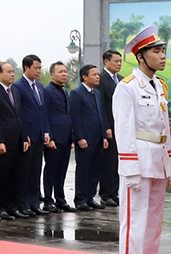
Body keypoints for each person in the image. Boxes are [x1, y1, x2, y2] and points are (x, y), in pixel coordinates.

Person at [115, 25, 171, 254]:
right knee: (134, 223)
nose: (162, 56)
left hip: (158, 162)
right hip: (138, 161)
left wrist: (169, 166)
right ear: (141, 56)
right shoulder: (126, 88)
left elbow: (165, 128)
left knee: (152, 224)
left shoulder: (160, 85)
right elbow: (124, 131)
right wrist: (129, 169)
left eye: (163, 51)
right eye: (156, 51)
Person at [0, 62, 28, 220]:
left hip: (17, 140)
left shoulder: (15, 91)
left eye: (12, 71)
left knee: (16, 176)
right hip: (3, 141)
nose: (12, 74)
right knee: (1, 177)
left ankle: (12, 206)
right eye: (8, 72)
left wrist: (24, 137)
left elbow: (19, 116)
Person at [12, 55, 50, 216]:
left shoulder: (40, 86)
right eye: (35, 68)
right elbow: (19, 113)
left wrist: (46, 131)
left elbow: (43, 111)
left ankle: (35, 203)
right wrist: (24, 134)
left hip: (40, 135)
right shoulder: (18, 87)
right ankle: (23, 204)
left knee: (36, 171)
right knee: (24, 173)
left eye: (40, 68)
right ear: (26, 68)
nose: (38, 71)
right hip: (27, 136)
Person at [70, 64, 108, 210]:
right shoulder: (76, 93)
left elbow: (100, 115)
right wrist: (79, 137)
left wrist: (103, 135)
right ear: (84, 77)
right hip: (85, 139)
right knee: (84, 169)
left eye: (98, 74)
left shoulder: (97, 93)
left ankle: (90, 197)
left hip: (98, 138)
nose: (97, 77)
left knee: (95, 169)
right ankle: (80, 199)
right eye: (94, 74)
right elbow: (75, 117)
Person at [42, 62, 74, 213]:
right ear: (52, 74)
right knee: (51, 170)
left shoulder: (64, 92)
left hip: (65, 137)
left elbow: (67, 115)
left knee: (62, 170)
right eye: (60, 72)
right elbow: (45, 115)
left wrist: (72, 137)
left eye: (65, 71)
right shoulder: (47, 91)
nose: (64, 74)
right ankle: (48, 200)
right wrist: (50, 137)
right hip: (54, 137)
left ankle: (60, 199)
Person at [98, 49, 124, 207]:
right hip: (110, 127)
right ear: (106, 62)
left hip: (121, 127)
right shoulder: (100, 79)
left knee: (117, 162)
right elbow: (101, 105)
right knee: (108, 163)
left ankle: (115, 193)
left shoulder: (121, 80)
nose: (119, 64)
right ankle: (106, 194)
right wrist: (106, 126)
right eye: (116, 61)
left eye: (120, 61)